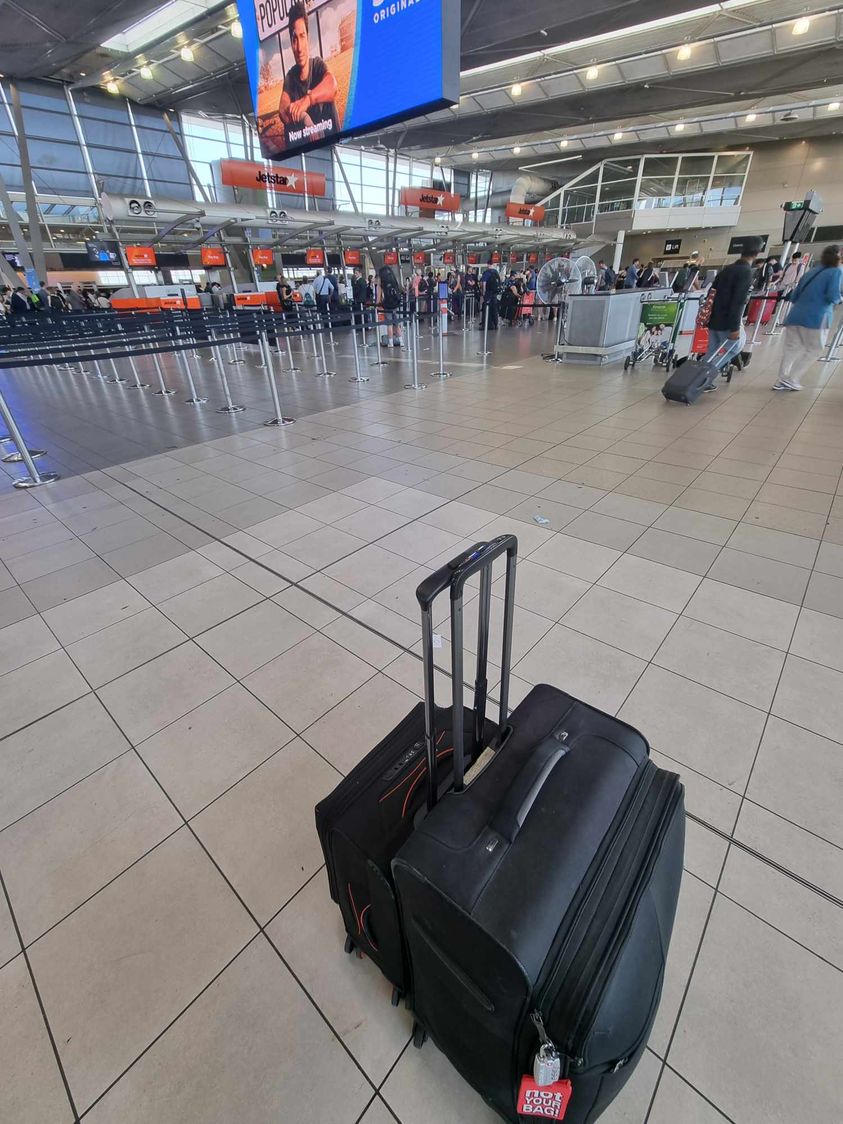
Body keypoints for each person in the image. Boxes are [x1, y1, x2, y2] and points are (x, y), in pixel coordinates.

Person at [773, 244, 843, 391]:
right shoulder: (835, 272)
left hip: (795, 315)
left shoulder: (811, 271)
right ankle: (792, 379)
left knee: (791, 348)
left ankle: (782, 379)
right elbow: (833, 296)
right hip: (817, 317)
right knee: (815, 349)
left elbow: (794, 296)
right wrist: (839, 299)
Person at [700, 236, 762, 391]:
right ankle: (703, 379)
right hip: (727, 321)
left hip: (714, 318)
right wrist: (735, 328)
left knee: (712, 350)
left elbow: (711, 294)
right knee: (735, 348)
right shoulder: (745, 272)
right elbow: (738, 302)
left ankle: (698, 378)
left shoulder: (727, 269)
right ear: (757, 253)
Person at [278, 2, 339, 151]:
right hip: (303, 150)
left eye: (302, 36)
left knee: (328, 99)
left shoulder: (317, 65)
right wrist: (305, 118)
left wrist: (307, 100)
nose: (299, 47)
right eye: (294, 39)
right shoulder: (291, 76)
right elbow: (282, 110)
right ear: (291, 43)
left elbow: (332, 86)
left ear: (308, 38)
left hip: (329, 145)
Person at [378, 263, 403, 347]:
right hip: (395, 304)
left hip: (387, 305)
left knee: (389, 324)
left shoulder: (381, 284)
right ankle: (401, 341)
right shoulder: (394, 280)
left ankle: (390, 342)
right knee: (396, 323)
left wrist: (377, 304)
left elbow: (378, 297)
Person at [480, 263, 501, 329]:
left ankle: (486, 325)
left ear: (488, 265)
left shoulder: (486, 272)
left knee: (486, 308)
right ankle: (496, 324)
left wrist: (483, 292)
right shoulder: (496, 272)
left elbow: (484, 283)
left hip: (488, 293)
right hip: (495, 293)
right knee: (494, 309)